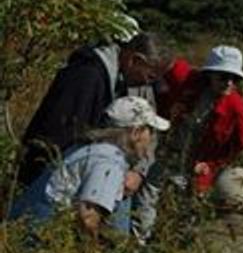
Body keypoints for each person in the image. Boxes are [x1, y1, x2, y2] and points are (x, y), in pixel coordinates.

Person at [18, 30, 172, 186]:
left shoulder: (115, 79)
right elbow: (60, 133)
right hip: (47, 179)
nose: (147, 83)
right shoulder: (87, 75)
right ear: (134, 60)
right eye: (150, 76)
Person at [9, 96, 170, 239]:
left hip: (22, 229)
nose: (151, 139)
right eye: (151, 131)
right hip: (34, 239)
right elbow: (87, 216)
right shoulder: (109, 161)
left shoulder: (91, 146)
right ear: (136, 132)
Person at [167, 45, 243, 195]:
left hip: (199, 169)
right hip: (168, 155)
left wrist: (212, 165)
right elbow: (165, 61)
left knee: (192, 203)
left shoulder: (237, 109)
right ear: (210, 74)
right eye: (223, 76)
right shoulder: (189, 81)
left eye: (235, 79)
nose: (229, 83)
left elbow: (239, 143)